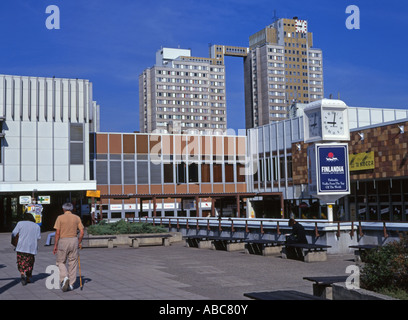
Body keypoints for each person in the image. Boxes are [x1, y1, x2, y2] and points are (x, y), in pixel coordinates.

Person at [53, 202, 84, 292]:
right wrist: (79, 242)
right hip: (74, 240)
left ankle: (64, 277)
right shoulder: (77, 218)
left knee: (60, 262)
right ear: (72, 209)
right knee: (73, 262)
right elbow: (82, 232)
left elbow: (57, 233)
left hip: (63, 241)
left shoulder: (60, 218)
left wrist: (55, 245)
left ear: (63, 209)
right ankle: (71, 284)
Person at [11, 213, 41, 285]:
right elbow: (38, 238)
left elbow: (14, 233)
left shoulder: (20, 223)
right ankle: (28, 278)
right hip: (31, 248)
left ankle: (22, 273)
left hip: (21, 246)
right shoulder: (37, 226)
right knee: (30, 262)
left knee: (21, 261)